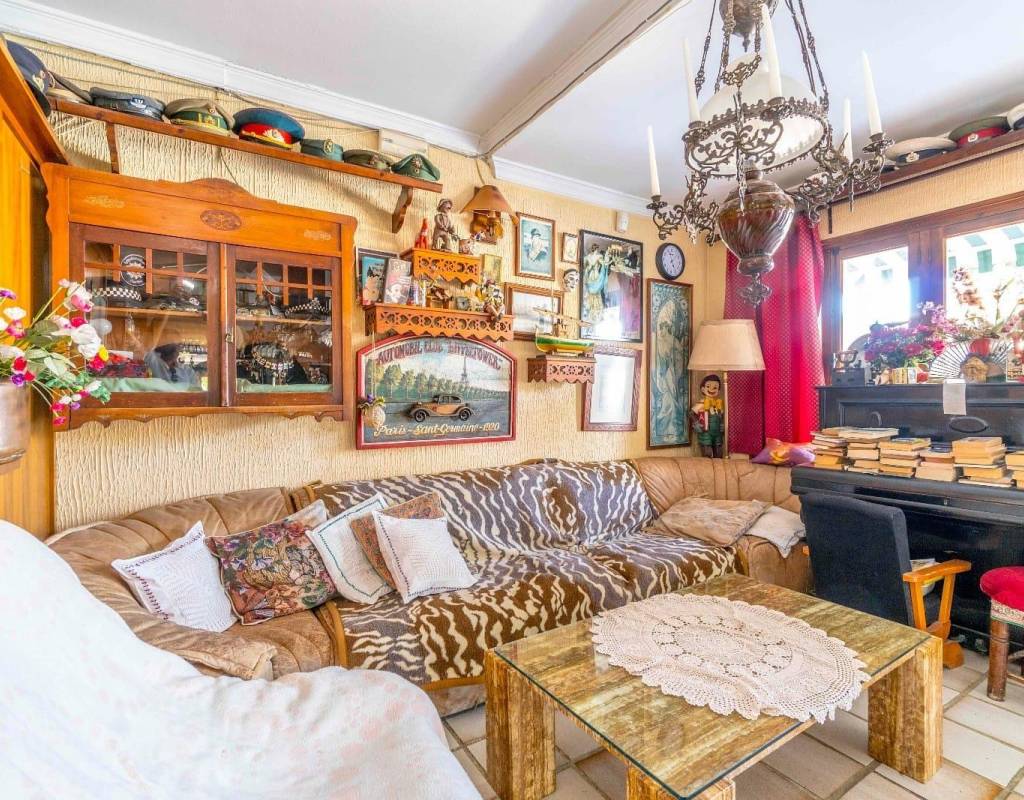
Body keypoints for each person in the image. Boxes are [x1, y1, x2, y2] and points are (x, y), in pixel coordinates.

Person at [691, 374, 725, 458]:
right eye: (708, 386)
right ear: (703, 389)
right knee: (707, 453)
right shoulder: (701, 403)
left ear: (718, 390)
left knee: (719, 453)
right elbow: (691, 413)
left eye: (715, 387)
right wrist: (696, 423)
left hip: (717, 433)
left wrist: (722, 424)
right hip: (706, 433)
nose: (711, 389)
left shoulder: (718, 404)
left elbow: (721, 416)